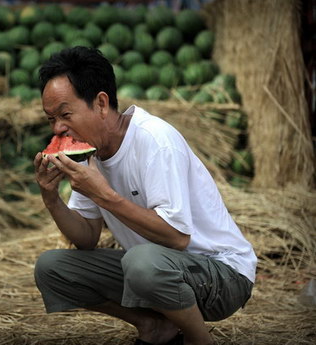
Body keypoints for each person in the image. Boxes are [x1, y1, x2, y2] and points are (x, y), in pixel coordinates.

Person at [33, 47, 257, 345]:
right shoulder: (92, 155)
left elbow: (178, 238)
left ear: (101, 103)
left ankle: (199, 339)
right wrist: (51, 199)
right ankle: (153, 326)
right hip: (158, 270)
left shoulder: (155, 140)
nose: (59, 129)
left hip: (222, 274)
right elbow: (86, 238)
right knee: (52, 268)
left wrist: (104, 195)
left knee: (141, 263)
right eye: (51, 119)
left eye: (65, 114)